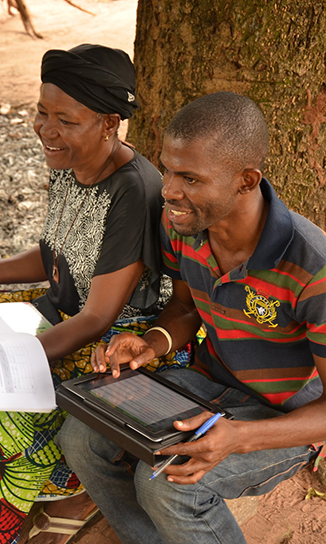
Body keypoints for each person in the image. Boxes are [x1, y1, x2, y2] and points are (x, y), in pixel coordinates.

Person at [0, 44, 189, 544]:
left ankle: (71, 493)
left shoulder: (133, 190)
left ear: (109, 124)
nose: (46, 129)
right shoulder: (70, 162)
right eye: (42, 112)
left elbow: (96, 318)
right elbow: (52, 254)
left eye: (65, 119)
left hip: (116, 341)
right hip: (61, 312)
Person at [58, 91, 326, 544]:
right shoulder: (182, 223)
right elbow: (184, 307)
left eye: (190, 177)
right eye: (166, 168)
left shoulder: (312, 265)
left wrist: (238, 438)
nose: (168, 189)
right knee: (80, 437)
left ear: (246, 180)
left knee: (165, 485)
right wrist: (154, 342)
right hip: (206, 385)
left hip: (284, 418)